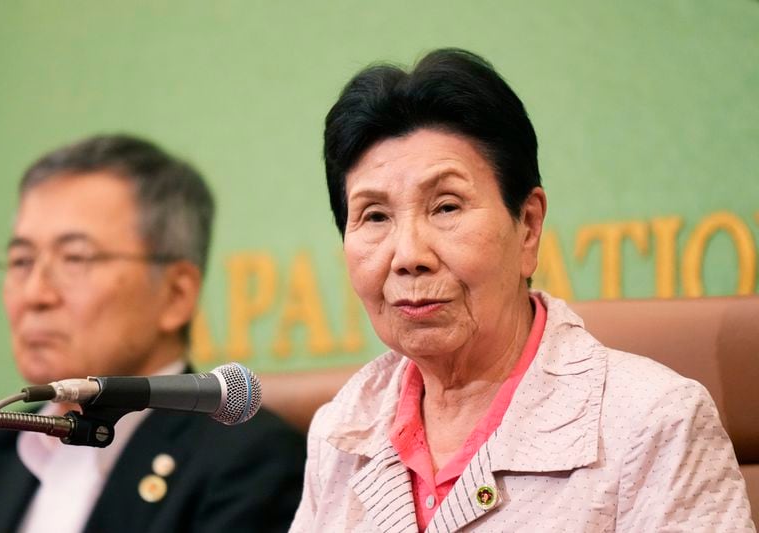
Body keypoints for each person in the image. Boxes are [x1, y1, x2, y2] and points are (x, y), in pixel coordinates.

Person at [290, 49, 755, 531]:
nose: (408, 255)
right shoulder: (342, 430)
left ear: (528, 226)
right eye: (375, 216)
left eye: (446, 207)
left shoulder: (654, 423)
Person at [0, 134, 306, 533]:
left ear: (176, 294)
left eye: (75, 258)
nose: (34, 294)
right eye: (20, 261)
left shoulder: (249, 463)